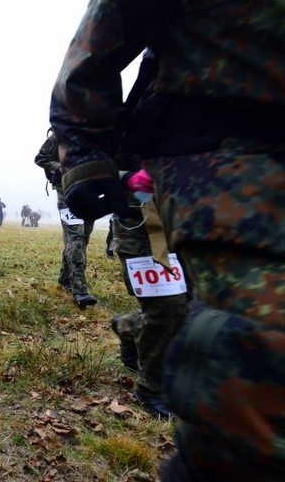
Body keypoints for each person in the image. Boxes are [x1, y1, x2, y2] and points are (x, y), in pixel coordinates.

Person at [50, 0, 283, 480]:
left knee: (178, 314)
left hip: (179, 189)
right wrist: (86, 164)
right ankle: (155, 374)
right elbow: (98, 49)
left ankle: (133, 331)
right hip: (207, 183)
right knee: (236, 353)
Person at [109, 168, 188, 419]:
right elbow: (82, 163)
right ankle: (150, 389)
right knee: (168, 307)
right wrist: (127, 177)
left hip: (196, 221)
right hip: (143, 224)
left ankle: (129, 326)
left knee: (195, 305)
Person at [35, 131, 97, 308]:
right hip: (66, 189)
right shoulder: (60, 134)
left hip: (89, 190)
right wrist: (61, 166)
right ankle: (80, 291)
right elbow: (40, 158)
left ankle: (64, 278)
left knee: (83, 237)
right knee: (75, 237)